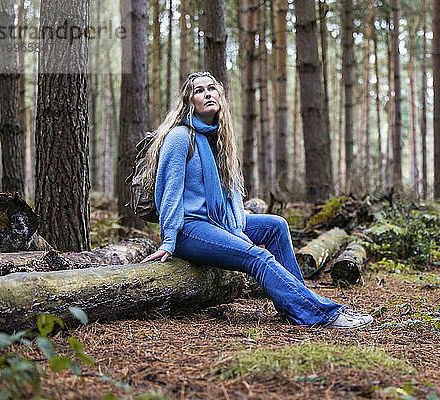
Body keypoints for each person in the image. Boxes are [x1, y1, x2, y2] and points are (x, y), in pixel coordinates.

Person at [140, 71, 373, 329]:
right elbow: (169, 193)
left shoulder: (217, 138)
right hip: (190, 230)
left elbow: (231, 193)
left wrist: (238, 226)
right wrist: (169, 240)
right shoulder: (180, 137)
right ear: (188, 101)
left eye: (212, 88)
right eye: (199, 90)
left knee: (276, 226)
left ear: (220, 96)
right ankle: (320, 314)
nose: (207, 94)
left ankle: (296, 303)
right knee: (257, 256)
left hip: (219, 222)